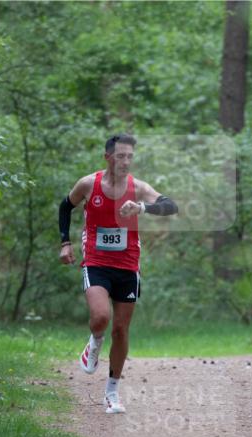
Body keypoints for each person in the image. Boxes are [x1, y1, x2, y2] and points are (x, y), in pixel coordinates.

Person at [58, 133, 178, 413]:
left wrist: (143, 207)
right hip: (96, 263)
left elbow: (171, 205)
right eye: (121, 156)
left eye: (130, 156)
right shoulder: (89, 184)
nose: (126, 161)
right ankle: (94, 342)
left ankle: (112, 392)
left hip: (127, 266)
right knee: (101, 318)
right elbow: (66, 206)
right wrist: (65, 242)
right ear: (108, 157)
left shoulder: (137, 188)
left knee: (122, 330)